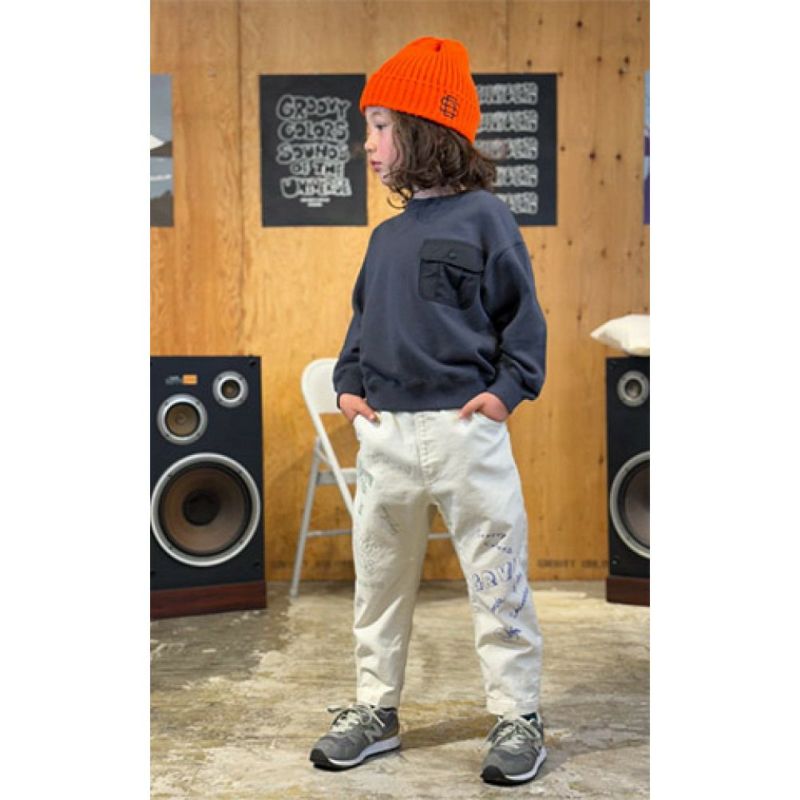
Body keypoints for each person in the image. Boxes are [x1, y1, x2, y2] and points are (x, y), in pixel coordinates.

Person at [309, 36, 548, 786]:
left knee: (496, 573)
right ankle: (374, 708)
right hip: (384, 437)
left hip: (465, 434)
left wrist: (505, 394)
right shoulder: (385, 237)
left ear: (427, 129)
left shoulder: (486, 220)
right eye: (369, 128)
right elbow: (362, 324)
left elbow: (523, 323)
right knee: (378, 580)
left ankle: (518, 714)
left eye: (381, 126)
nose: (369, 143)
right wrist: (349, 387)